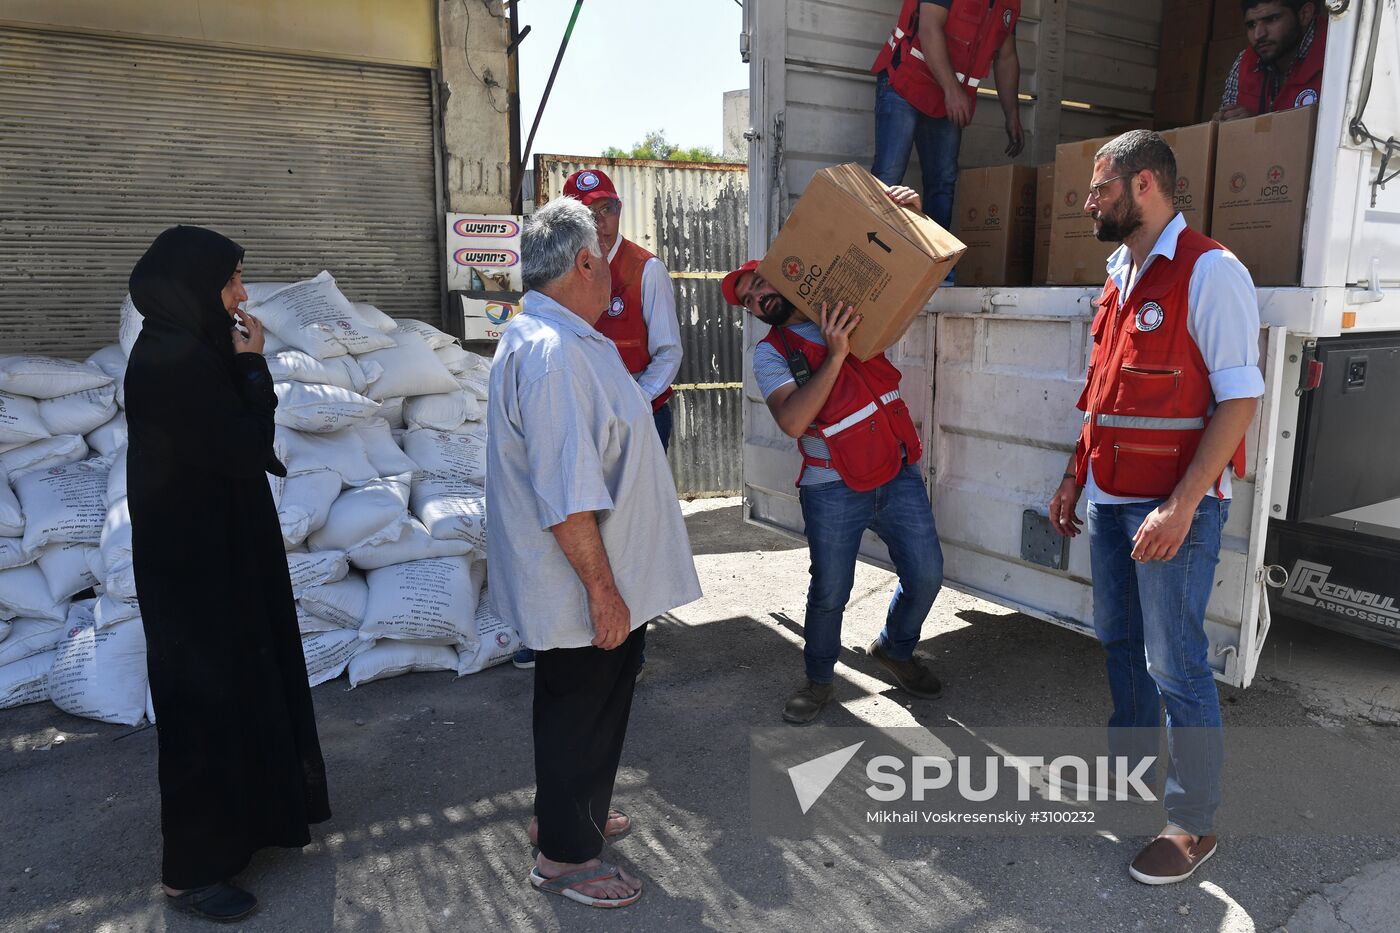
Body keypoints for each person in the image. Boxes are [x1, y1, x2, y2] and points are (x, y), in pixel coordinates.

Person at [1047, 131, 1263, 885]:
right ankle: (1131, 772)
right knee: (1120, 644)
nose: (1088, 200)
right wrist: (1076, 475)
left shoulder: (1211, 272)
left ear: (1144, 186)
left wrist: (1179, 506)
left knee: (1177, 664)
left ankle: (1192, 823)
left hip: (1173, 508)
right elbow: (1103, 391)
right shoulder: (1118, 271)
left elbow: (1239, 402)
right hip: (1109, 501)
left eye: (1101, 187)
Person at [487, 196, 701, 909]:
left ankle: (567, 809)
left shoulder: (563, 337)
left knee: (586, 702)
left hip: (596, 577)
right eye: (603, 259)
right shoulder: (552, 354)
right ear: (583, 262)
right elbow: (567, 493)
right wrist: (604, 591)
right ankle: (565, 855)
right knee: (582, 706)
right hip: (582, 584)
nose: (613, 271)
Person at [124, 226, 331, 922]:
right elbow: (246, 445)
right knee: (202, 708)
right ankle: (191, 872)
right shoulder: (171, 362)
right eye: (232, 280)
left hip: (224, 555)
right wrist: (254, 368)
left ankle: (244, 830)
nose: (243, 295)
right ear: (192, 287)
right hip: (194, 572)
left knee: (242, 686)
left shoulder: (191, 350)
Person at [721, 185, 945, 725]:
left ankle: (894, 646)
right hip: (831, 485)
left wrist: (909, 218)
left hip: (895, 471)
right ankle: (819, 680)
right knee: (830, 592)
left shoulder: (851, 307)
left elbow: (910, 271)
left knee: (928, 574)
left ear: (789, 273)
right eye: (749, 301)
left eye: (759, 283)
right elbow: (794, 420)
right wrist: (836, 354)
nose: (757, 299)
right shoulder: (770, 354)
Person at [514, 168, 683, 671]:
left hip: (639, 415)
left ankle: (631, 634)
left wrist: (632, 401)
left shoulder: (644, 268)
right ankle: (561, 628)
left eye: (608, 208)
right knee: (571, 514)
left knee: (630, 525)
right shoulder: (558, 275)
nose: (601, 221)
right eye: (589, 212)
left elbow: (668, 353)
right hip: (574, 411)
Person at [870, 0, 1024, 232]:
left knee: (942, 184)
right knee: (887, 176)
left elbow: (1006, 56)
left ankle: (935, 264)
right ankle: (870, 255)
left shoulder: (1009, 4)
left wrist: (1012, 114)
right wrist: (953, 91)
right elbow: (929, 27)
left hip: (944, 100)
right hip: (904, 82)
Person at [1215, 0, 1326, 120]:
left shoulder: (1337, 52)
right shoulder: (1244, 63)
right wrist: (1225, 122)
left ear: (1304, 14)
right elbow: (1225, 128)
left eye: (1271, 19)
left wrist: (1256, 126)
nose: (1259, 35)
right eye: (1251, 25)